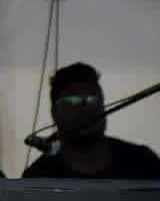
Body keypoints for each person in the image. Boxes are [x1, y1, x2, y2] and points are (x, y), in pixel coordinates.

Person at [23, 62, 160, 180]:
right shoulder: (37, 177)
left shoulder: (142, 161)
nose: (85, 109)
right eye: (73, 101)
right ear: (54, 112)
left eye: (92, 100)